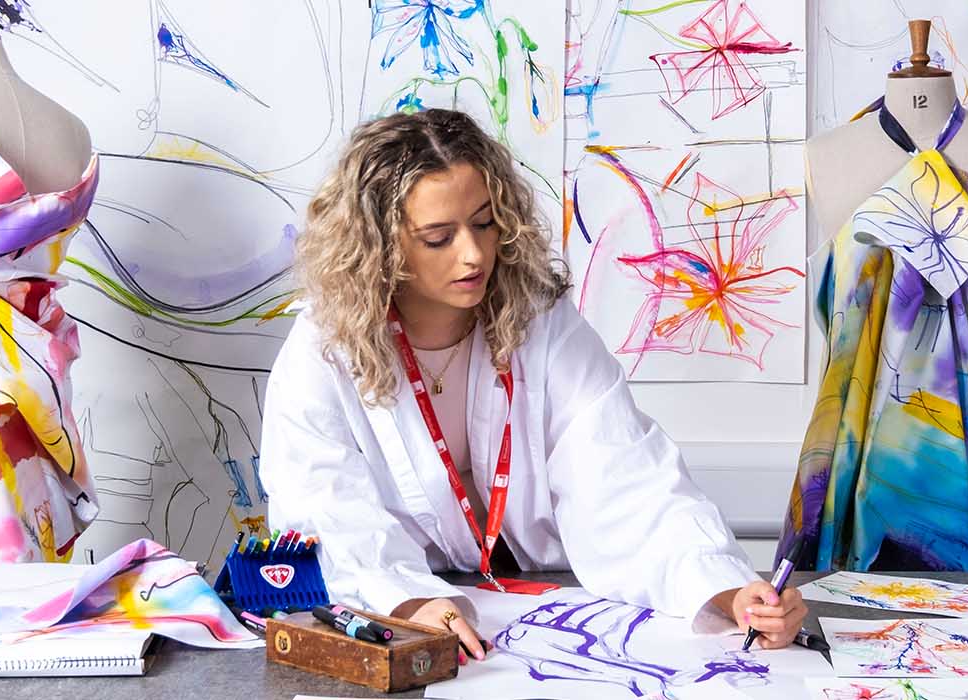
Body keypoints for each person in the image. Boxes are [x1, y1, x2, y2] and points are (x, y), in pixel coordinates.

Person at [260, 109, 805, 662]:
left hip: (546, 615)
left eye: (484, 222)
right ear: (377, 244)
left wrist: (727, 591)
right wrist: (408, 603)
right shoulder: (321, 351)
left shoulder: (540, 322)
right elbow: (323, 506)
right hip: (413, 627)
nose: (472, 254)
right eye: (438, 237)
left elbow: (625, 476)